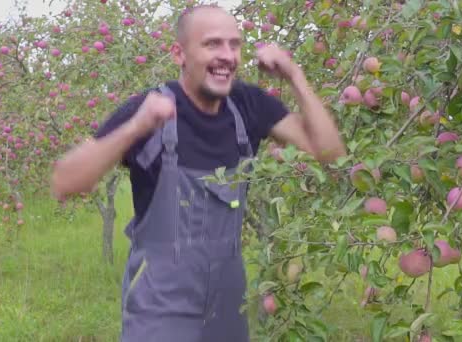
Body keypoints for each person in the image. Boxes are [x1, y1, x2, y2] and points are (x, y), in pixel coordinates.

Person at [50, 4, 345, 341]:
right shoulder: (148, 109)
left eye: (234, 45)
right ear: (180, 54)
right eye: (212, 44)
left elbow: (331, 155)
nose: (228, 55)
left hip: (228, 304)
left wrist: (294, 75)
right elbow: (65, 182)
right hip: (161, 306)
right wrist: (136, 128)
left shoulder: (249, 105)